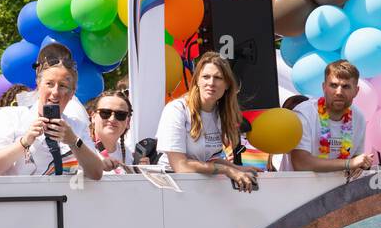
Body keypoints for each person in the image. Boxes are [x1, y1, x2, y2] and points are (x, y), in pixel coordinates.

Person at [0, 47, 104, 180]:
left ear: (72, 93)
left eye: (62, 86)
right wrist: (23, 142)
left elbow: (96, 173)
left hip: (64, 199)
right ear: (38, 85)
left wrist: (73, 141)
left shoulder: (76, 126)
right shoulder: (11, 117)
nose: (55, 92)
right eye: (49, 84)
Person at [154, 51, 255, 192]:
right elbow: (180, 166)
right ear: (197, 81)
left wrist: (237, 168)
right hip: (170, 188)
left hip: (201, 188)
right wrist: (227, 170)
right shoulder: (177, 109)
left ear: (227, 85)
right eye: (206, 77)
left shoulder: (221, 113)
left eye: (218, 78)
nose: (211, 83)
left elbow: (209, 159)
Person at [282, 60, 377, 176]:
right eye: (333, 85)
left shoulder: (358, 117)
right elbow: (301, 164)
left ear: (356, 91)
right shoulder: (304, 114)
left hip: (337, 190)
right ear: (324, 87)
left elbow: (356, 158)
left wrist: (361, 164)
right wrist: (349, 163)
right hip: (297, 190)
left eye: (346, 86)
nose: (339, 92)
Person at [86, 89, 133, 173]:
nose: (112, 119)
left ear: (128, 122)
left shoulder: (128, 155)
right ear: (93, 117)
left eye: (120, 115)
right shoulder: (80, 149)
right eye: (105, 113)